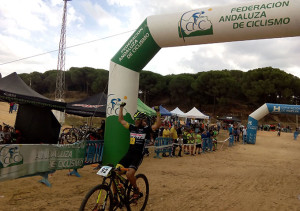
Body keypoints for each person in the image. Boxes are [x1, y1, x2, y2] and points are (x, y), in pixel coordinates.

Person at [117, 102, 161, 201]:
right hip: (129, 154)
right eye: (135, 119)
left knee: (129, 174)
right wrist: (121, 107)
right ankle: (115, 198)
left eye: (138, 120)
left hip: (137, 155)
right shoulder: (131, 127)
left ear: (142, 121)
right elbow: (121, 120)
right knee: (115, 173)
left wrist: (158, 112)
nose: (136, 121)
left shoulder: (146, 129)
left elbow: (157, 124)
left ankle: (136, 190)